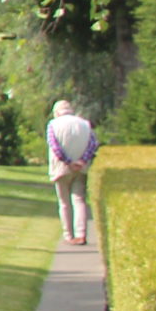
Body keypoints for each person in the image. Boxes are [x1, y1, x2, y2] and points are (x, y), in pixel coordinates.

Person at [45, 99, 99, 246]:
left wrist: (68, 161)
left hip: (61, 168)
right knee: (79, 201)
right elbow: (93, 143)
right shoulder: (84, 124)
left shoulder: (53, 125)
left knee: (64, 203)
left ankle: (68, 235)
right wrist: (82, 160)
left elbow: (54, 146)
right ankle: (81, 234)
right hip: (81, 168)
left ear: (56, 112)